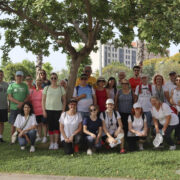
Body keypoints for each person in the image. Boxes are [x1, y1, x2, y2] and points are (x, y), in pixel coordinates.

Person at [42, 72, 66, 150]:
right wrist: (44, 111)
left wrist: (63, 110)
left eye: (55, 78)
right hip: (48, 110)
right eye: (52, 78)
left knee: (56, 127)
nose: (53, 79)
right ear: (50, 79)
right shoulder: (46, 88)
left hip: (58, 110)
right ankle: (51, 143)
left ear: (57, 79)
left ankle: (56, 143)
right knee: (50, 127)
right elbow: (43, 101)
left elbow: (64, 101)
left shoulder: (61, 88)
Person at [7, 71, 29, 139]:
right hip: (14, 108)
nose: (19, 77)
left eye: (20, 76)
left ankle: (22, 137)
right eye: (17, 76)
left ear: (22, 77)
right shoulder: (11, 85)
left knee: (23, 123)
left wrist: (22, 104)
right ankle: (13, 138)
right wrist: (19, 103)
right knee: (13, 124)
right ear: (15, 77)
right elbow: (10, 97)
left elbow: (28, 96)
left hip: (23, 108)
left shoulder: (25, 85)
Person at [30, 78, 47, 143]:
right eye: (37, 81)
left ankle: (45, 137)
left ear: (42, 83)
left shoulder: (43, 91)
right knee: (38, 124)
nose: (38, 83)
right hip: (35, 111)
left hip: (42, 110)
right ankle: (39, 137)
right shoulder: (33, 91)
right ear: (35, 83)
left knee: (44, 124)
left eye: (40, 81)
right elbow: (31, 101)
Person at [170, 75, 180, 144]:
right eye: (177, 80)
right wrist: (172, 103)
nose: (178, 81)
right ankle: (177, 138)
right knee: (176, 124)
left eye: (179, 80)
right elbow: (171, 98)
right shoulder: (173, 90)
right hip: (175, 108)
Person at [0, 70, 8, 142]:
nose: (0, 76)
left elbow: (9, 96)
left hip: (3, 106)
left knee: (2, 122)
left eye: (1, 74)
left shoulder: (6, 84)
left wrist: (8, 106)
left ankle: (1, 137)